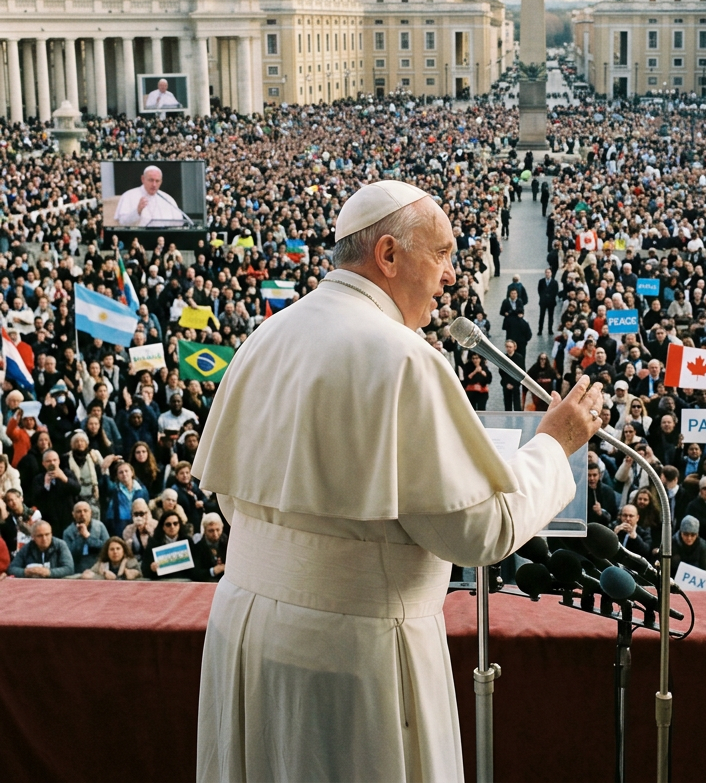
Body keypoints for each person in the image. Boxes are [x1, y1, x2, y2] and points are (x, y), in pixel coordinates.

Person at [191, 180, 604, 783]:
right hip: (351, 653)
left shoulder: (265, 336)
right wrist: (554, 445)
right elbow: (478, 531)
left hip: (244, 634)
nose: (452, 275)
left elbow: (235, 500)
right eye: (441, 254)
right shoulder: (402, 357)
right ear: (387, 255)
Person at [113, 165, 187, 228]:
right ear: (143, 179)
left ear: (161, 181)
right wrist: (137, 211)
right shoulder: (128, 196)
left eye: (157, 181)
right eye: (151, 180)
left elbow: (179, 223)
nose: (154, 184)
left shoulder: (167, 198)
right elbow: (122, 223)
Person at [8, 520, 75, 578]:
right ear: (33, 537)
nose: (44, 539)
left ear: (51, 534)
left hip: (56, 584)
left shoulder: (60, 545)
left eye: (47, 534)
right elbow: (12, 568)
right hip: (32, 585)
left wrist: (49, 572)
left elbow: (69, 568)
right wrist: (25, 572)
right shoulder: (26, 548)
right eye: (40, 536)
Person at [142, 509, 195, 580]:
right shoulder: (153, 542)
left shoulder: (188, 541)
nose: (172, 527)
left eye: (175, 523)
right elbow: (144, 568)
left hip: (184, 579)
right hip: (162, 581)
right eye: (168, 524)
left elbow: (196, 564)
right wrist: (151, 567)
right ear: (163, 527)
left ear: (179, 525)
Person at [62, 500, 110, 574]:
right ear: (73, 514)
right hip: (77, 568)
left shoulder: (100, 526)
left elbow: (107, 547)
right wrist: (80, 536)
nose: (82, 514)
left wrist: (88, 537)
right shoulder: (68, 532)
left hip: (98, 566)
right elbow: (69, 555)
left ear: (90, 513)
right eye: (79, 511)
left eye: (85, 511)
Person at [192, 512, 229, 582]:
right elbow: (195, 573)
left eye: (218, 530)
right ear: (205, 531)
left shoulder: (228, 544)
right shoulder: (197, 548)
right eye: (211, 530)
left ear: (222, 528)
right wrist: (213, 571)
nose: (215, 534)